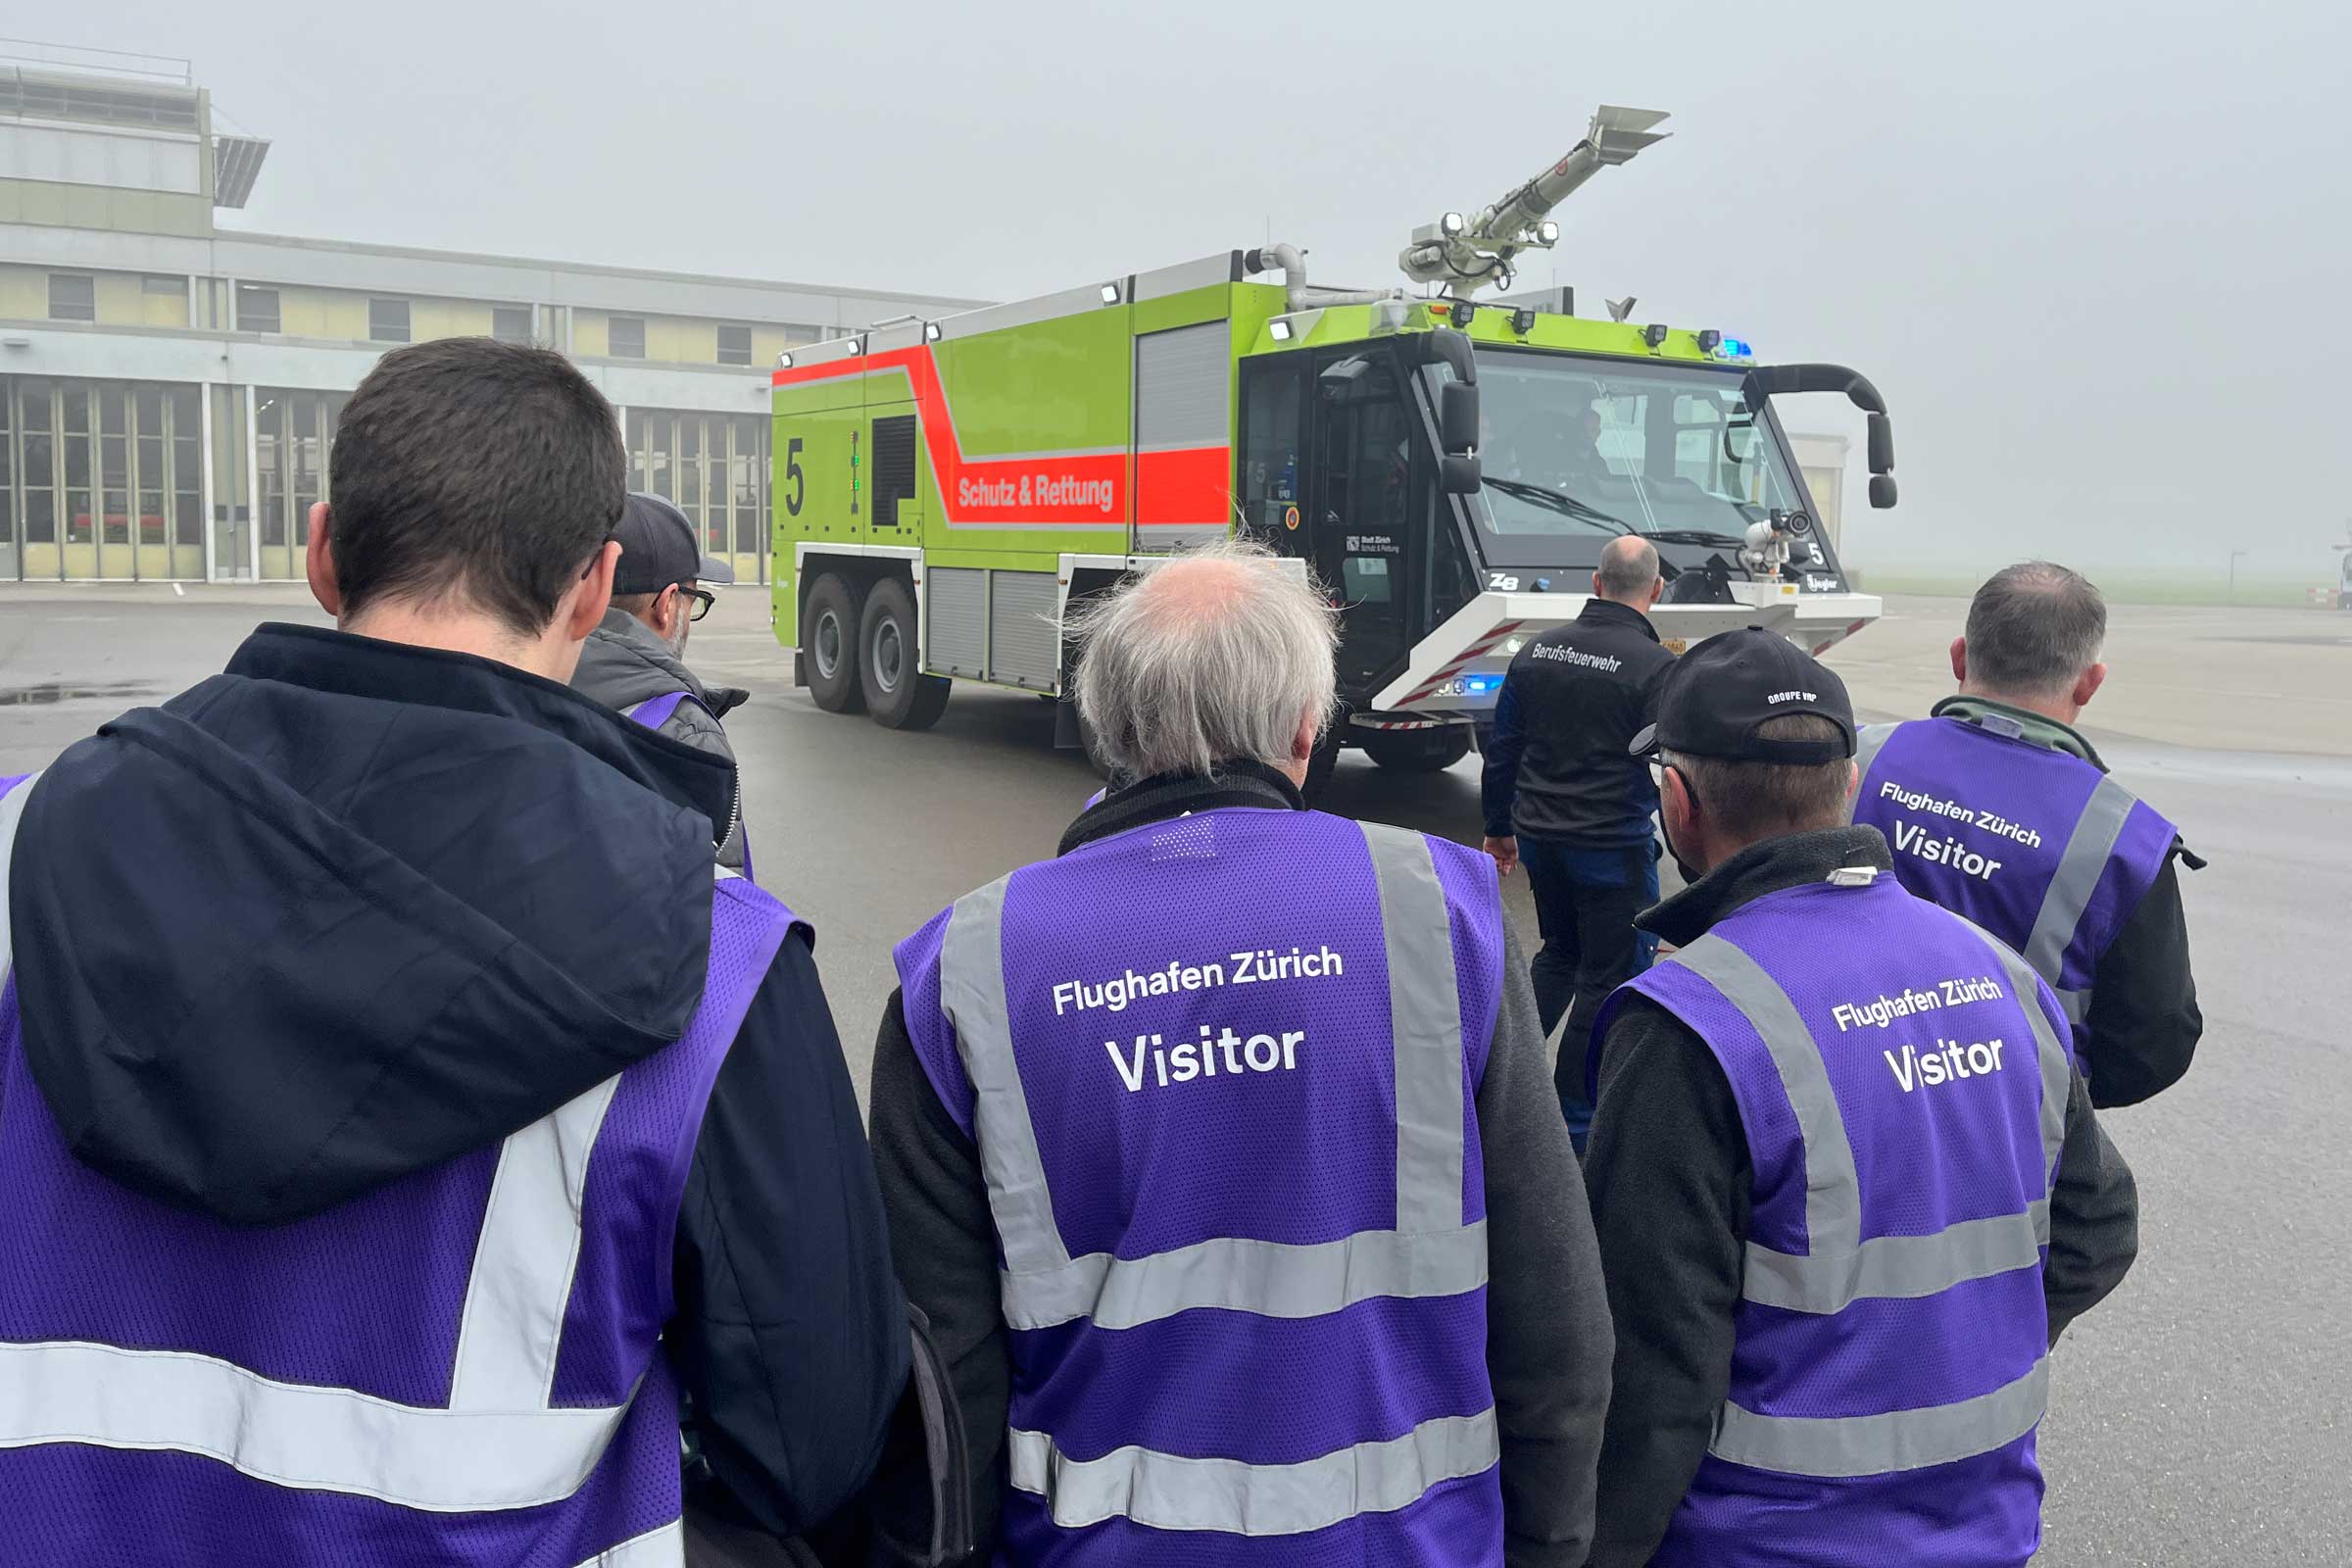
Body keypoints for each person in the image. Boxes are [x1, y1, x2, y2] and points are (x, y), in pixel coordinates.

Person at [0, 338, 906, 1564]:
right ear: (594, 590)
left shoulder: (18, 851)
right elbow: (811, 1440)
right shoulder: (714, 961)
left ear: (323, 554)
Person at [865, 541, 1615, 1566]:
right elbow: (1556, 1318)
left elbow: (938, 1378)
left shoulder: (966, 972)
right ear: (1307, 726)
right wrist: (1550, 1545)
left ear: (1108, 726)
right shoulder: (1438, 917)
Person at [1581, 628, 2140, 1568]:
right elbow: (2099, 1225)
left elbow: (1651, 1363)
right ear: (1847, 785)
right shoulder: (1999, 974)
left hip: (1760, 1540)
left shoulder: (1692, 1022)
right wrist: (1957, 1358)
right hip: (1987, 1526)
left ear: (1675, 800)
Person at [1850, 562, 2201, 1106]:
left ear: (1959, 657)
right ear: (2089, 683)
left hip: (1837, 1090)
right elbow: (2156, 1041)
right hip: (2010, 1127)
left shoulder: (1854, 760)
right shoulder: (2125, 841)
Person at [1481, 535, 1676, 1148]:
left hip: (1540, 837)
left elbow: (1503, 749)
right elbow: (1671, 765)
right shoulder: (1656, 668)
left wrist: (1499, 828)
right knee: (1608, 977)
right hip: (1611, 845)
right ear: (1655, 590)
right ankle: (1575, 1122)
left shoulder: (1537, 651)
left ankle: (1489, 1081)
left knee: (1560, 954)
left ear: (1596, 583)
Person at [572, 490, 753, 872]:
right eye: (693, 600)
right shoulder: (686, 734)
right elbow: (716, 896)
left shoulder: (521, 682)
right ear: (667, 603)